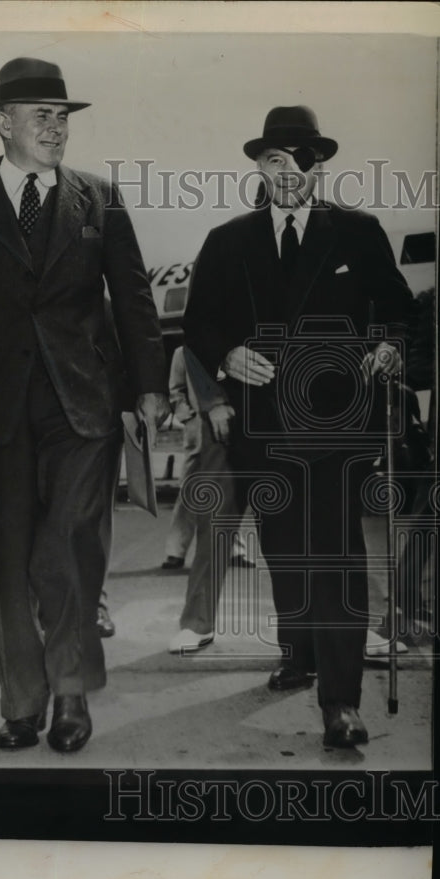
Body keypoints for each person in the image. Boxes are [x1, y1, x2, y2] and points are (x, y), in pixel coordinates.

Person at [0, 57, 169, 752]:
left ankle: (70, 691)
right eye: (41, 115)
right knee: (2, 558)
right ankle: (23, 700)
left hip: (84, 405)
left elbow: (134, 298)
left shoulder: (99, 198)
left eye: (63, 116)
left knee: (68, 544)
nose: (56, 127)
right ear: (3, 121)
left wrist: (150, 385)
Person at [184, 106, 414, 749]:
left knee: (337, 552)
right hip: (261, 426)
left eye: (303, 159)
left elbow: (399, 309)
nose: (289, 171)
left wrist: (389, 345)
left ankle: (341, 701)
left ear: (322, 166)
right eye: (275, 159)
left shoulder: (358, 232)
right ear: (259, 166)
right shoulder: (228, 240)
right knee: (284, 546)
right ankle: (297, 649)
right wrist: (227, 355)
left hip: (339, 423)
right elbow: (198, 323)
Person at [164, 346, 256, 654]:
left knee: (299, 525)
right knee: (214, 521)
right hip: (225, 411)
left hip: (288, 407)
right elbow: (199, 336)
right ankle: (197, 621)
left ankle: (325, 625)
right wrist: (213, 400)